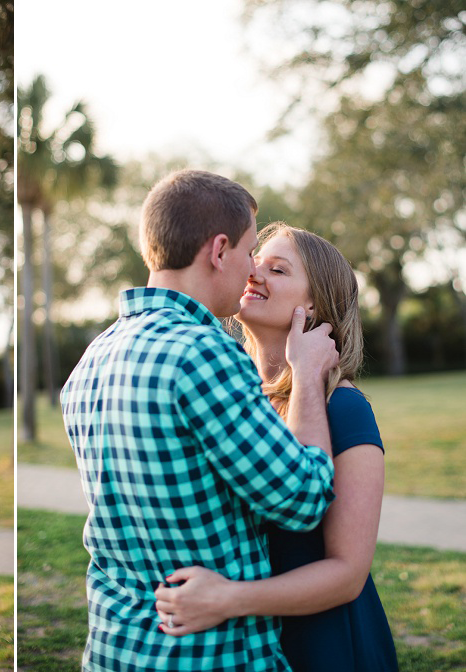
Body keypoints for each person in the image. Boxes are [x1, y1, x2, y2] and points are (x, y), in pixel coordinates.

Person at [59, 169, 341, 671]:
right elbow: (304, 497)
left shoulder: (90, 361)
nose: (253, 268)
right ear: (218, 251)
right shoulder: (201, 353)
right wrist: (309, 371)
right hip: (211, 657)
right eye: (251, 251)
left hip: (114, 653)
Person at [154, 222, 398, 670]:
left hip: (325, 645)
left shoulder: (343, 408)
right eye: (255, 260)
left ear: (314, 305)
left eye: (278, 269)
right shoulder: (234, 398)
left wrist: (228, 599)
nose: (254, 273)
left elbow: (348, 574)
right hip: (246, 648)